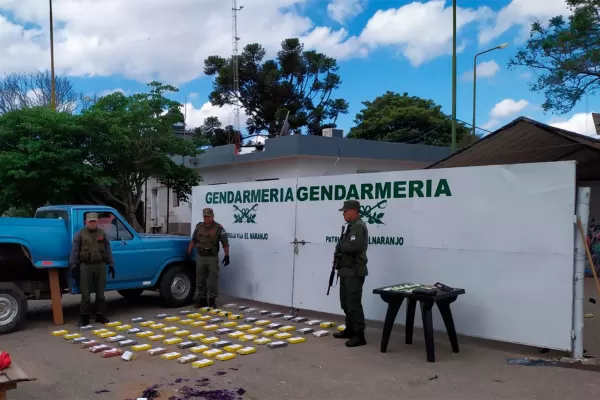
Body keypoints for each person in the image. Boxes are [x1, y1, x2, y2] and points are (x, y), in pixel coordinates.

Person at [69, 212, 116, 327]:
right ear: (86, 222)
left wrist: (111, 264)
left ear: (97, 221)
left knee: (100, 292)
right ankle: (84, 317)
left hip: (100, 265)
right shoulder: (79, 235)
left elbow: (107, 249)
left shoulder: (102, 233)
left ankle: (100, 314)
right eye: (90, 221)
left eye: (94, 221)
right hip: (86, 266)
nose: (92, 223)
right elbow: (74, 252)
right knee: (85, 293)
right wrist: (73, 266)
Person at [333, 200, 369, 347]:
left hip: (354, 271)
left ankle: (359, 335)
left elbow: (354, 246)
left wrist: (340, 245)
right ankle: (350, 329)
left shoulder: (359, 227)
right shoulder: (351, 227)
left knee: (354, 303)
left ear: (353, 211)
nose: (343, 214)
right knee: (346, 303)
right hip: (346, 271)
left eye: (345, 211)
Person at [188, 208, 230, 308]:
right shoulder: (199, 226)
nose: (206, 218)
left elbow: (225, 243)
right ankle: (202, 300)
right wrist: (189, 251)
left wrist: (227, 255)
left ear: (212, 216)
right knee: (200, 279)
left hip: (212, 258)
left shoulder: (218, 228)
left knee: (212, 280)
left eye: (208, 216)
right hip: (201, 257)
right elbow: (193, 240)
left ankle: (212, 300)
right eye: (204, 216)